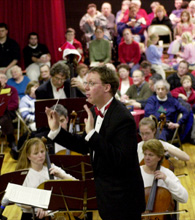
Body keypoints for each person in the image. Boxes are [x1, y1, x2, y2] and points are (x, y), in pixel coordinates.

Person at [45, 65, 145, 219]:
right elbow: (85, 145)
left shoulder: (123, 118)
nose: (86, 88)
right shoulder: (93, 111)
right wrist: (57, 131)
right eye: (86, 83)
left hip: (124, 197)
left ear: (106, 87)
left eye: (91, 83)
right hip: (105, 194)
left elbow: (120, 158)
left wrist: (92, 134)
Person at [15, 138, 76, 219]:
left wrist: (62, 176)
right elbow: (18, 200)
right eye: (36, 153)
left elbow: (76, 184)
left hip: (54, 214)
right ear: (28, 156)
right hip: (32, 215)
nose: (40, 155)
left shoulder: (52, 168)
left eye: (42, 152)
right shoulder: (23, 174)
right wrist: (38, 205)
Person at [140, 139, 189, 204]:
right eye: (145, 154)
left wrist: (166, 179)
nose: (146, 158)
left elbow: (184, 198)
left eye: (151, 155)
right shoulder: (137, 172)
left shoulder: (166, 173)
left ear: (159, 157)